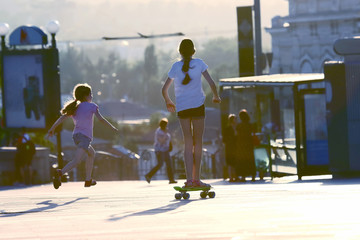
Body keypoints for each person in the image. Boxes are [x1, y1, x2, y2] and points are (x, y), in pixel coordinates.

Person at [161, 39, 221, 188]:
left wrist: (169, 101)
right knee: (198, 142)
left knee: (188, 142)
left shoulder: (175, 67)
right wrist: (216, 96)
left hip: (182, 108)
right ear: (193, 52)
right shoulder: (200, 63)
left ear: (179, 52)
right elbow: (212, 83)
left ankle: (188, 180)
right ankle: (197, 179)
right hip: (198, 106)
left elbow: (164, 89)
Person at [46, 83, 118, 188]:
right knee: (76, 161)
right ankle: (60, 173)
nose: (92, 96)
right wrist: (112, 127)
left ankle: (88, 180)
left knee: (91, 153)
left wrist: (52, 129)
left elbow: (62, 118)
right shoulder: (92, 106)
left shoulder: (75, 107)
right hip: (84, 137)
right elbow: (101, 119)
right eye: (90, 94)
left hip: (76, 136)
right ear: (85, 96)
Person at [145, 118, 177, 184]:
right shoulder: (159, 132)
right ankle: (148, 175)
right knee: (160, 164)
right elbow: (161, 141)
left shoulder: (165, 131)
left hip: (166, 150)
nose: (166, 126)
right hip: (159, 150)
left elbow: (168, 140)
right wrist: (165, 133)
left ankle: (171, 179)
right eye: (165, 125)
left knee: (169, 164)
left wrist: (170, 146)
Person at [235, 109, 256, 182]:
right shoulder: (250, 125)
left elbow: (237, 135)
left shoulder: (239, 126)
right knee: (251, 160)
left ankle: (243, 176)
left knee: (243, 161)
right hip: (249, 144)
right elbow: (253, 134)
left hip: (241, 145)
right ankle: (253, 176)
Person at [223, 114, 239, 182]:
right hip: (229, 147)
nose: (236, 120)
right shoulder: (227, 128)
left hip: (236, 146)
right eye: (235, 119)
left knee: (235, 161)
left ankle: (235, 176)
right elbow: (224, 139)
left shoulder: (238, 128)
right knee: (230, 162)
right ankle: (230, 177)